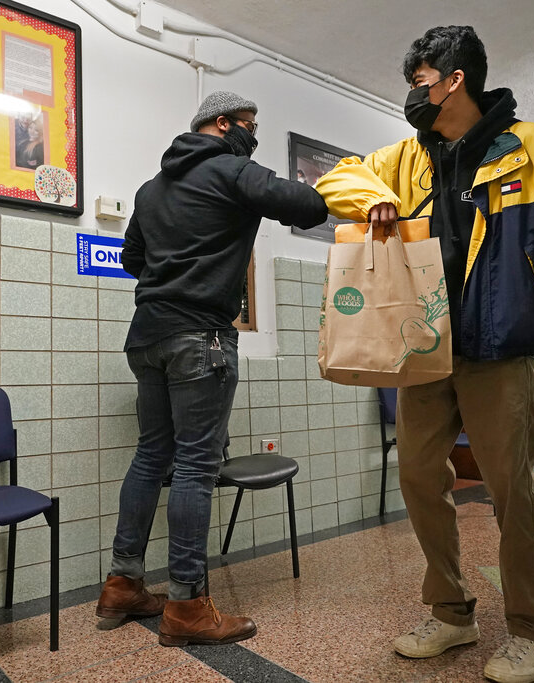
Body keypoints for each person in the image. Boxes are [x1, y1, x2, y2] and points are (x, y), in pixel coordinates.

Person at [315, 25, 534, 683]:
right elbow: (339, 175)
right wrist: (373, 197)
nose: (414, 96)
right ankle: (451, 609)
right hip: (424, 351)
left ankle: (530, 628)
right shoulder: (404, 160)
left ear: (454, 79)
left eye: (420, 82)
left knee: (512, 489)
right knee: (416, 477)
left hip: (500, 353)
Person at [97, 91, 327, 647]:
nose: (253, 135)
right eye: (249, 126)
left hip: (146, 336)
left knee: (151, 456)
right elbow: (309, 207)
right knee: (197, 468)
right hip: (200, 337)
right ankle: (187, 606)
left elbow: (132, 258)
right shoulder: (233, 170)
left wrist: (173, 271)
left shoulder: (150, 190)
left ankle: (124, 582)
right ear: (222, 124)